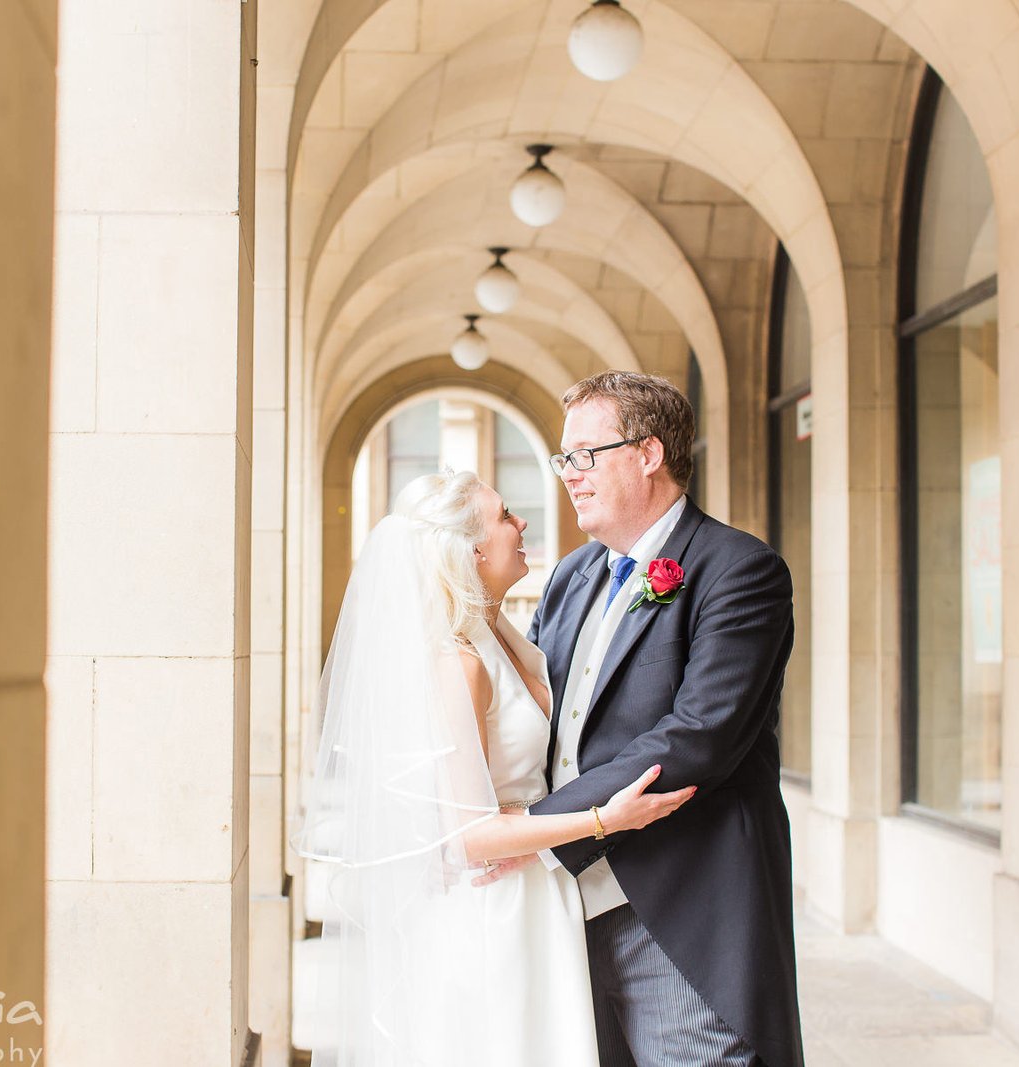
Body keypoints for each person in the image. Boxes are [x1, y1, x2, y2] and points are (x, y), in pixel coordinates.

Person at [296, 469, 696, 1066]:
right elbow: (470, 838)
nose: (522, 523)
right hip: (492, 908)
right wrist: (606, 818)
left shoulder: (497, 633)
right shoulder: (458, 664)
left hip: (536, 894)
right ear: (473, 549)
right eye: (506, 515)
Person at [477, 371, 804, 1067]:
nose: (569, 475)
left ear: (649, 453)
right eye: (564, 459)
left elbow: (700, 735)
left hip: (684, 911)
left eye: (585, 455)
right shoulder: (569, 576)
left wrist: (536, 831)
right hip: (563, 914)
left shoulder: (740, 570)